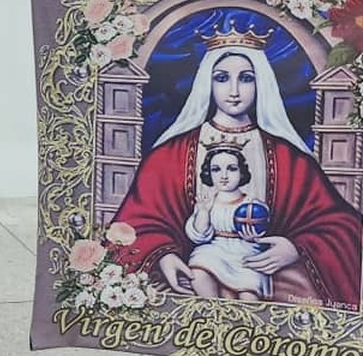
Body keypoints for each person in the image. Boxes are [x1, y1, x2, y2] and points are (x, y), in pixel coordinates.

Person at [112, 27, 361, 310]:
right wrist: (164, 256)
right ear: (207, 83)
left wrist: (295, 248)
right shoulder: (170, 155)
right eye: (222, 78)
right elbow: (137, 223)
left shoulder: (287, 158)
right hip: (200, 267)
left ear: (260, 83)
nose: (233, 91)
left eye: (246, 78)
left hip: (260, 270)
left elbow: (341, 225)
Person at [184, 144, 270, 301]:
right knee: (198, 273)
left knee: (249, 296)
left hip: (244, 253)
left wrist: (253, 238)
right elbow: (199, 235)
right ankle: (213, 309)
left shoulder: (252, 205)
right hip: (214, 250)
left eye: (231, 169)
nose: (224, 176)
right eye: (216, 169)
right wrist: (203, 212)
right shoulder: (207, 202)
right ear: (208, 173)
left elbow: (263, 233)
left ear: (241, 172)